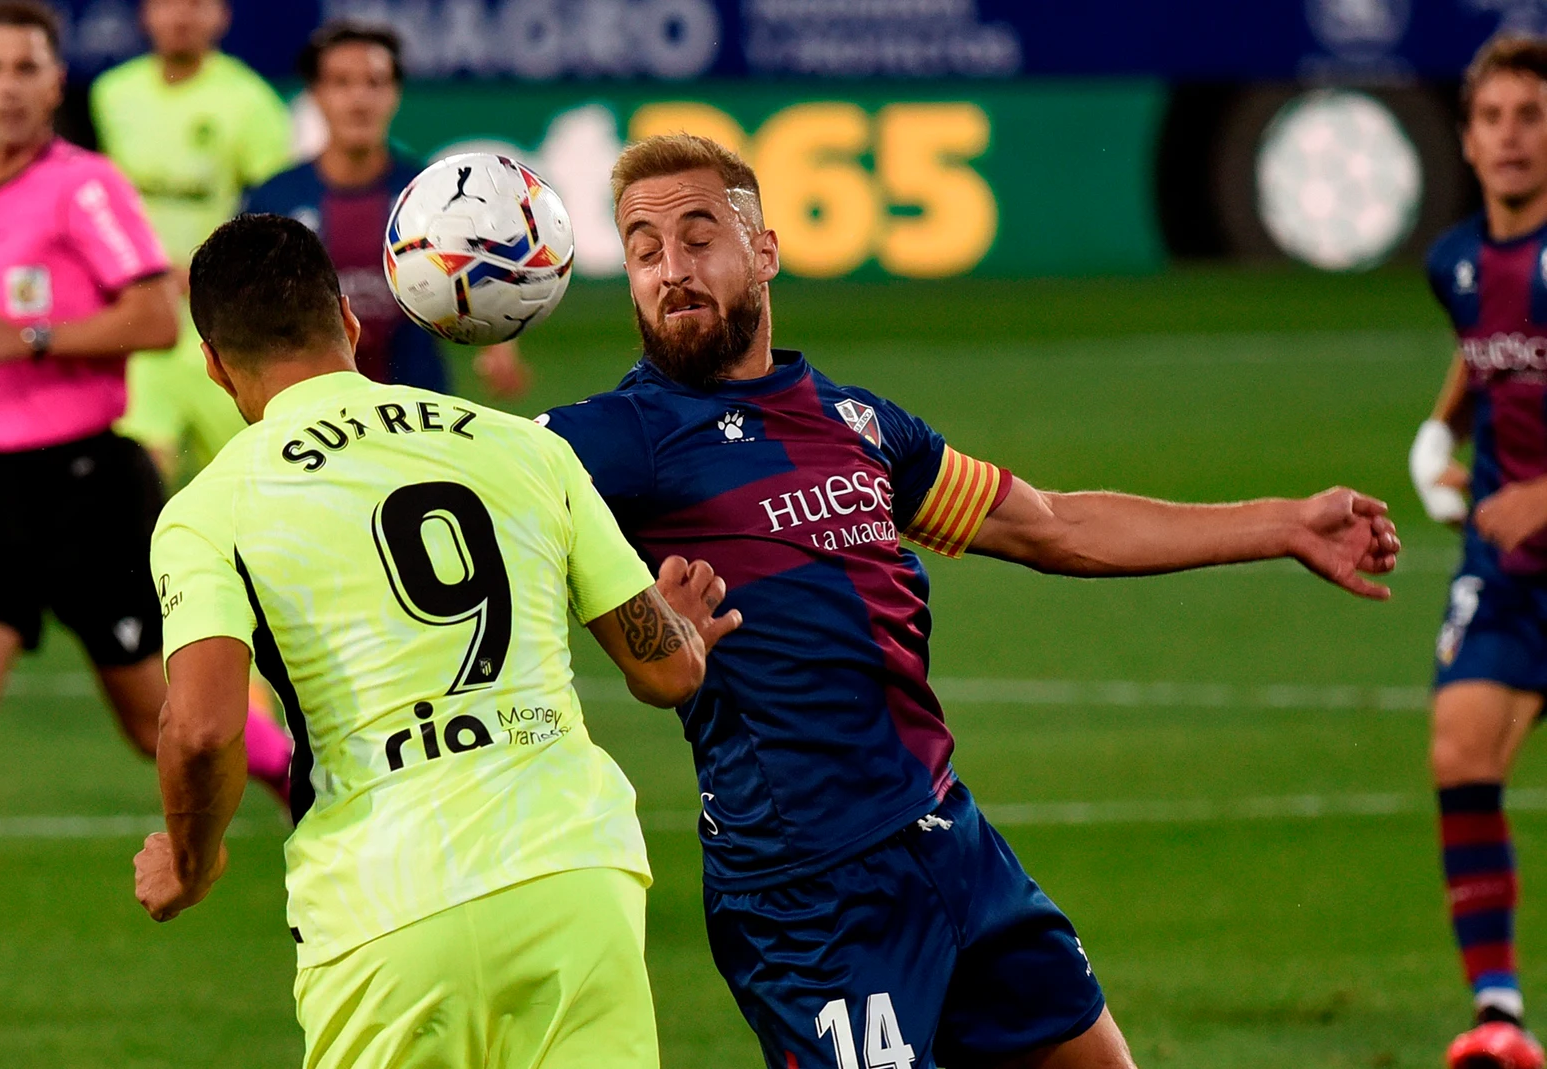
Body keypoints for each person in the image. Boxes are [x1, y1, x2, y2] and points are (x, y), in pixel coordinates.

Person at [538, 133, 1403, 1069]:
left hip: (949, 841)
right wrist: (641, 628)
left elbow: (1053, 525)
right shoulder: (624, 436)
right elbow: (478, 495)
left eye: (699, 238)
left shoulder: (858, 424)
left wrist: (1284, 524)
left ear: (766, 251)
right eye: (644, 250)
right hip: (810, 894)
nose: (671, 269)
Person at [130, 213, 739, 1067]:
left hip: (385, 907)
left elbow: (200, 728)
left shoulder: (209, 508)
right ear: (348, 321)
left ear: (213, 363)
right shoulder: (523, 446)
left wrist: (191, 864)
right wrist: (678, 627)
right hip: (574, 877)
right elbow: (669, 669)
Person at [0, 0, 289, 1022]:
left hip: (89, 487)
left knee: (159, 723)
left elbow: (152, 311)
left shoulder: (83, 187)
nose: (7, 86)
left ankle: (303, 774)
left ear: (56, 84)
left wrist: (37, 337)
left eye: (26, 68)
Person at [1410, 35, 1547, 1069]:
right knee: (1459, 750)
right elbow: (1486, 357)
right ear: (1464, 139)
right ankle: (1498, 1013)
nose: (1510, 137)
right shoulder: (1455, 261)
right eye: (1492, 118)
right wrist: (1435, 436)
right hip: (1503, 570)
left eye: (1530, 117)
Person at [243, 20, 531, 400]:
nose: (359, 100)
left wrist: (498, 339)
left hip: (417, 405)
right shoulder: (274, 200)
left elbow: (482, 268)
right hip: (313, 409)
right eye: (341, 83)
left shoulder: (434, 194)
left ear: (395, 93)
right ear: (315, 94)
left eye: (375, 83)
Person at [93, 0, 293, 482]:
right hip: (143, 322)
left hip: (220, 326)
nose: (180, 16)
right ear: (146, 13)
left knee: (244, 483)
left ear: (222, 15)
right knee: (138, 479)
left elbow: (277, 218)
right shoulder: (112, 93)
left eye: (197, 4)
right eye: (167, 3)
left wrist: (209, 272)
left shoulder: (251, 101)